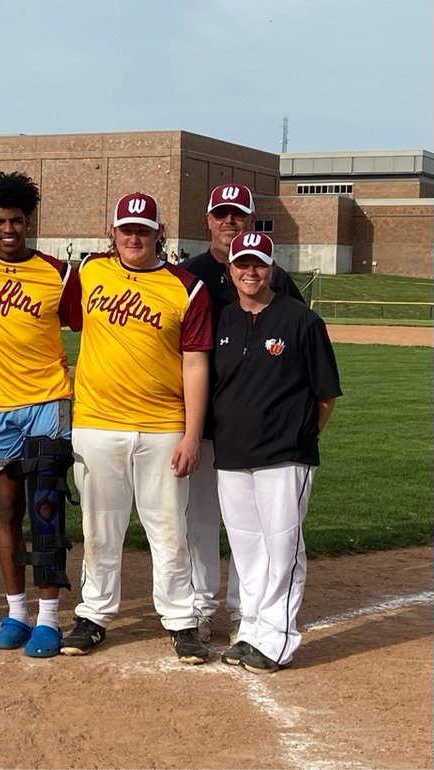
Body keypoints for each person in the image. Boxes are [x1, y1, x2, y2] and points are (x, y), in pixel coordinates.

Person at [61, 191, 214, 664]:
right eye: (126, 229)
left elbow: (195, 364)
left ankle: (181, 620)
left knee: (168, 527)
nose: (134, 237)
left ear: (158, 233)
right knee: (99, 527)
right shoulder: (89, 273)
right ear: (113, 233)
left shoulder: (186, 287)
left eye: (143, 230)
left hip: (163, 426)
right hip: (96, 423)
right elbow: (54, 318)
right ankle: (93, 614)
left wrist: (191, 434)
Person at [0, 172, 78, 658]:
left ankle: (49, 617)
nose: (8, 229)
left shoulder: (57, 272)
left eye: (17, 221)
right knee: (6, 511)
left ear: (29, 222)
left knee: (45, 510)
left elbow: (96, 323)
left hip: (45, 402)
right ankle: (15, 612)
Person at [179, 183, 305, 645]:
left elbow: (298, 348)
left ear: (251, 221)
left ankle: (247, 612)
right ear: (208, 220)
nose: (229, 221)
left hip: (257, 427)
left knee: (254, 527)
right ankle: (202, 606)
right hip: (200, 419)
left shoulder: (277, 280)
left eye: (239, 215)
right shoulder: (187, 274)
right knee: (202, 520)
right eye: (221, 214)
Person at [210, 232, 340, 673]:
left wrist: (300, 437)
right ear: (231, 268)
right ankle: (249, 630)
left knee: (283, 548)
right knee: (247, 549)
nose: (250, 271)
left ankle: (277, 639)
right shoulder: (223, 320)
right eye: (242, 263)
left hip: (286, 456)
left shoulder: (301, 321)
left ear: (272, 267)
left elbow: (325, 396)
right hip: (232, 454)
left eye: (259, 264)